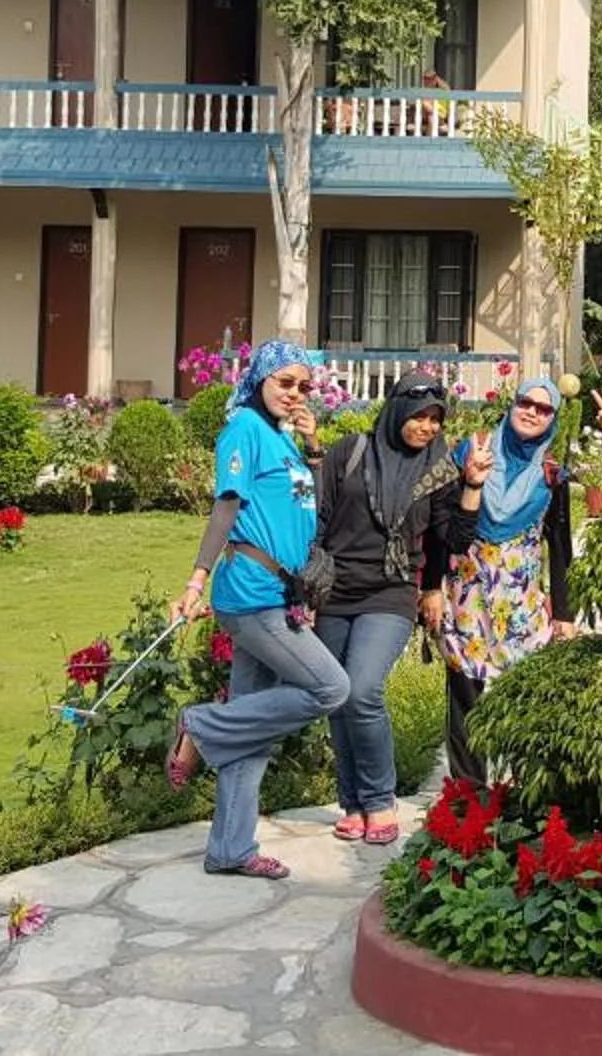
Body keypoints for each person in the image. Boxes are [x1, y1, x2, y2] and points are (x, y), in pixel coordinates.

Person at [167, 340, 350, 880]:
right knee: (331, 688)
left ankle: (230, 849)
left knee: (250, 730)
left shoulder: (281, 437)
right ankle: (199, 726)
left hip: (281, 595)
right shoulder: (245, 429)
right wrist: (196, 578)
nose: (294, 392)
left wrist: (314, 445)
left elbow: (302, 505)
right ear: (260, 380)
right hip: (251, 593)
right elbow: (227, 504)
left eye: (303, 385)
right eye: (284, 382)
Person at [311, 374, 450, 847]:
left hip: (390, 591)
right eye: (419, 416)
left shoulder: (439, 468)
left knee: (364, 689)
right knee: (336, 694)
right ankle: (351, 802)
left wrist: (432, 587)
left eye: (435, 418)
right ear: (396, 412)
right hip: (334, 589)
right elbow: (319, 517)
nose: (427, 427)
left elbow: (441, 536)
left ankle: (379, 799)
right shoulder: (348, 452)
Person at [423, 376, 578, 782]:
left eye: (544, 409)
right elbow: (441, 531)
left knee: (528, 698)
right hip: (468, 599)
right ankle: (466, 802)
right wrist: (430, 587)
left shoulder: (550, 475)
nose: (532, 412)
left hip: (521, 604)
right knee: (464, 699)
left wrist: (564, 612)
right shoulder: (470, 452)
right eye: (526, 402)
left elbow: (560, 546)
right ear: (512, 405)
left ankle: (527, 793)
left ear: (553, 419)